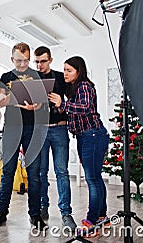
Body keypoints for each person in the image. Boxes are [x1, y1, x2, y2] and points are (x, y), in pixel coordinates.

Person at [48, 56, 109, 238]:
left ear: (78, 71)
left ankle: (91, 221)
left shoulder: (84, 86)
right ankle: (101, 217)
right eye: (64, 70)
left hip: (93, 135)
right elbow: (75, 110)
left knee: (91, 179)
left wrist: (63, 104)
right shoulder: (75, 89)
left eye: (69, 70)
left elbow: (84, 107)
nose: (65, 73)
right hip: (86, 136)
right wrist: (61, 108)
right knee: (96, 178)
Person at [0, 42, 47, 232]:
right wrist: (8, 98)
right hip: (12, 128)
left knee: (34, 174)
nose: (23, 64)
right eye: (18, 60)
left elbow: (40, 104)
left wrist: (34, 106)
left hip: (32, 128)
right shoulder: (6, 77)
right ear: (12, 59)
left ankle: (35, 214)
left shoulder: (37, 75)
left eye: (26, 60)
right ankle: (1, 212)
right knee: (8, 171)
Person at [34, 46, 76, 229]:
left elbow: (73, 101)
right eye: (36, 62)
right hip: (40, 130)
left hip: (59, 129)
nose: (39, 65)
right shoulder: (32, 78)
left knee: (62, 172)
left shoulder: (61, 77)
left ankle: (66, 213)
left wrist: (61, 103)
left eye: (43, 61)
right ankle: (43, 207)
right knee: (41, 172)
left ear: (50, 60)